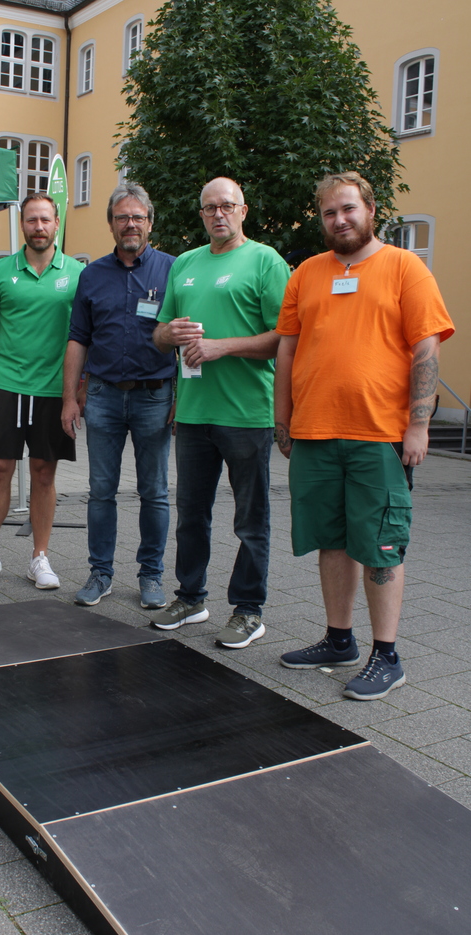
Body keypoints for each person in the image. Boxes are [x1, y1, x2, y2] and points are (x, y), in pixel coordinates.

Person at [274, 171, 454, 700]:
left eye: (348, 209)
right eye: (330, 212)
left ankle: (387, 655)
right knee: (332, 541)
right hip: (315, 432)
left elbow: (426, 348)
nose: (340, 220)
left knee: (380, 545)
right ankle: (338, 639)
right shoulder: (306, 273)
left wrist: (418, 424)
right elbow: (287, 349)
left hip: (380, 435)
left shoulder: (404, 268)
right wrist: (282, 420)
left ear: (370, 209)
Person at [151, 177, 290, 646]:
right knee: (191, 513)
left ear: (243, 211)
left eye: (226, 206)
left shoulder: (265, 261)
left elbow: (283, 338)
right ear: (202, 214)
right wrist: (170, 335)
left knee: (250, 518)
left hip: (247, 413)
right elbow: (159, 332)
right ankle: (190, 597)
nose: (218, 215)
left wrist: (220, 347)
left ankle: (249, 610)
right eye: (209, 208)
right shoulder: (186, 264)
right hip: (193, 413)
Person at [0, 193, 84, 591]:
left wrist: (76, 392)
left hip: (53, 390)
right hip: (6, 387)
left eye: (45, 219)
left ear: (57, 222)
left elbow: (85, 337)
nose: (39, 227)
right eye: (31, 220)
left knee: (44, 474)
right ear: (22, 225)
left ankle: (40, 557)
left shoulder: (78, 273)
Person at [62, 184, 176, 609]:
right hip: (104, 397)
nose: (130, 224)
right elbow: (77, 340)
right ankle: (101, 573)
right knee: (100, 491)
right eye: (122, 217)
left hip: (155, 397)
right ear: (111, 223)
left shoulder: (172, 270)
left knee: (155, 492)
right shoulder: (91, 275)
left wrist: (183, 394)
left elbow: (185, 335)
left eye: (138, 217)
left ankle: (151, 576)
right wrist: (69, 399)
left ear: (150, 222)